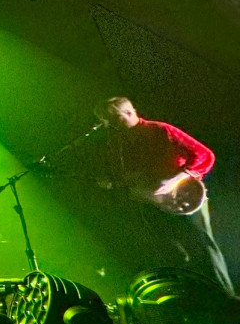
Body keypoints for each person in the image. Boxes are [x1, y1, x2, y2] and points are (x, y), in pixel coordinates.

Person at [93, 97, 233, 295]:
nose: (111, 125)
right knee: (173, 252)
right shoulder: (120, 143)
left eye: (113, 119)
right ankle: (190, 297)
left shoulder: (160, 130)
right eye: (107, 121)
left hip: (185, 196)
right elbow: (133, 175)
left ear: (129, 113)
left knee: (203, 245)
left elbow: (204, 154)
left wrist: (175, 180)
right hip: (157, 204)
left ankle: (226, 297)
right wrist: (114, 182)